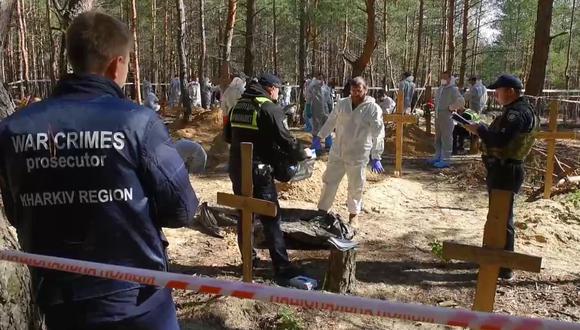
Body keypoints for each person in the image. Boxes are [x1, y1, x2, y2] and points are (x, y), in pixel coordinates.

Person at [0, 11, 198, 330]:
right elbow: (182, 209)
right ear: (116, 64)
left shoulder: (13, 130)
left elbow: (15, 210)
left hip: (62, 304)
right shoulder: (138, 123)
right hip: (138, 304)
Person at [224, 73, 311, 284]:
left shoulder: (238, 106)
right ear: (271, 88)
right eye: (278, 89)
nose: (279, 93)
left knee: (245, 215)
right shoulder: (269, 108)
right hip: (260, 172)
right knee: (271, 218)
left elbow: (227, 136)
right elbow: (286, 140)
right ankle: (281, 267)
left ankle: (249, 260)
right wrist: (303, 153)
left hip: (238, 169)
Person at [463, 74, 538, 280]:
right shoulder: (517, 110)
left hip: (506, 170)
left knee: (502, 217)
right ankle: (496, 259)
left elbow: (501, 141)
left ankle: (503, 266)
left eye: (498, 92)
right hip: (502, 169)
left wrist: (480, 130)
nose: (496, 96)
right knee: (499, 215)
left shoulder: (517, 114)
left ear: (510, 92)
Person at [316, 77, 385, 227]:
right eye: (353, 91)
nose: (355, 94)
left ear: (366, 90)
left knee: (355, 185)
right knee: (329, 181)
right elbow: (331, 121)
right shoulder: (342, 104)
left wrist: (376, 155)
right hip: (338, 151)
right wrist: (320, 136)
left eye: (359, 91)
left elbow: (378, 133)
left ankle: (354, 215)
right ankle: (321, 211)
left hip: (358, 154)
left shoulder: (372, 109)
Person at [429, 71, 465, 168]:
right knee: (438, 137)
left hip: (447, 116)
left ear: (449, 79)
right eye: (442, 77)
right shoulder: (441, 88)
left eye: (445, 77)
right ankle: (438, 156)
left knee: (446, 138)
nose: (443, 79)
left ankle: (446, 159)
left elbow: (461, 101)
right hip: (438, 116)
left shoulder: (453, 89)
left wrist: (451, 107)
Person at [309, 74, 331, 152]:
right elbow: (308, 98)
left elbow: (329, 100)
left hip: (325, 111)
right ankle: (316, 146)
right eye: (319, 79)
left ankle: (329, 144)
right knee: (316, 129)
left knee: (328, 127)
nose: (321, 80)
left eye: (322, 79)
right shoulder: (313, 88)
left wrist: (331, 109)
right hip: (316, 111)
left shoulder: (327, 88)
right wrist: (308, 108)